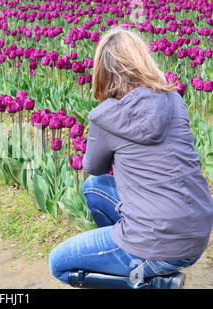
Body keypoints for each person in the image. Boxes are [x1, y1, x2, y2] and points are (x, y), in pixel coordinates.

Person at [48, 28, 213, 289]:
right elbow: (97, 178)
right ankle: (142, 266)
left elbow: (92, 166)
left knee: (57, 263)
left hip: (158, 242)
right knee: (94, 189)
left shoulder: (105, 116)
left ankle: (151, 281)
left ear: (102, 70)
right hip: (197, 233)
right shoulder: (173, 98)